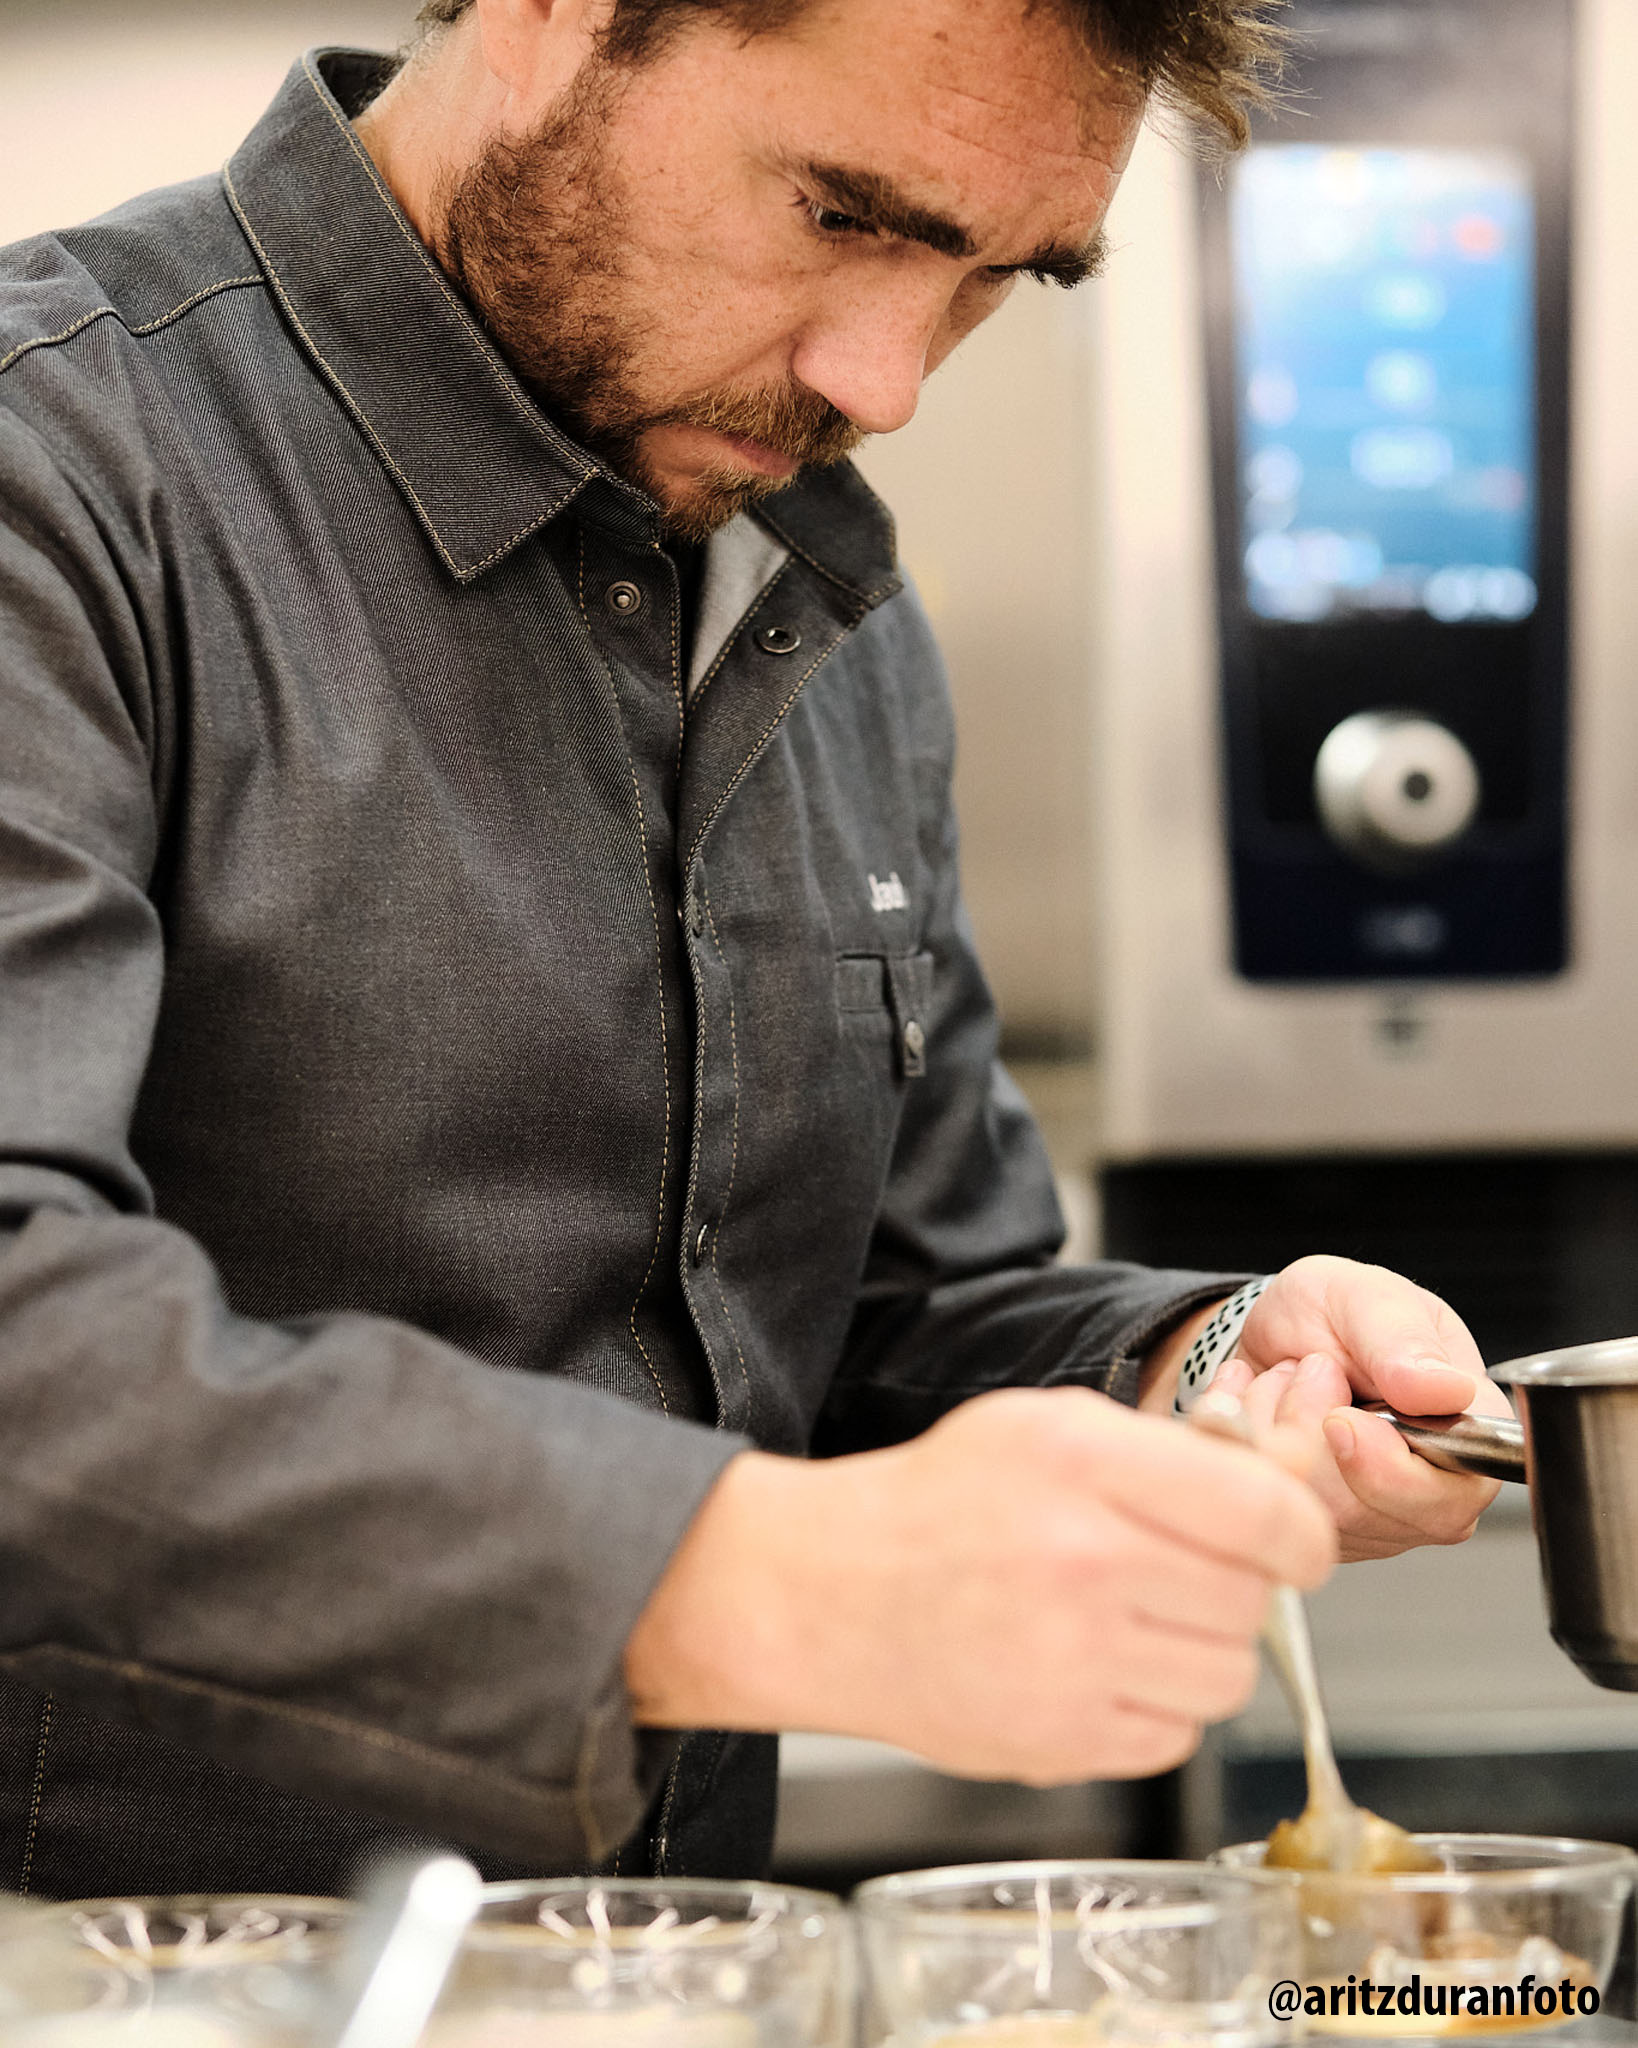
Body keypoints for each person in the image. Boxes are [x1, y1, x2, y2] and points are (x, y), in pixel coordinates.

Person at [0, 0, 1509, 1900]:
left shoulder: (819, 603)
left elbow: (872, 1326)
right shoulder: (52, 475)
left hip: (673, 1977)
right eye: (845, 217)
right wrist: (738, 1580)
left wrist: (1190, 1372)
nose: (883, 382)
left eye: (993, 279)